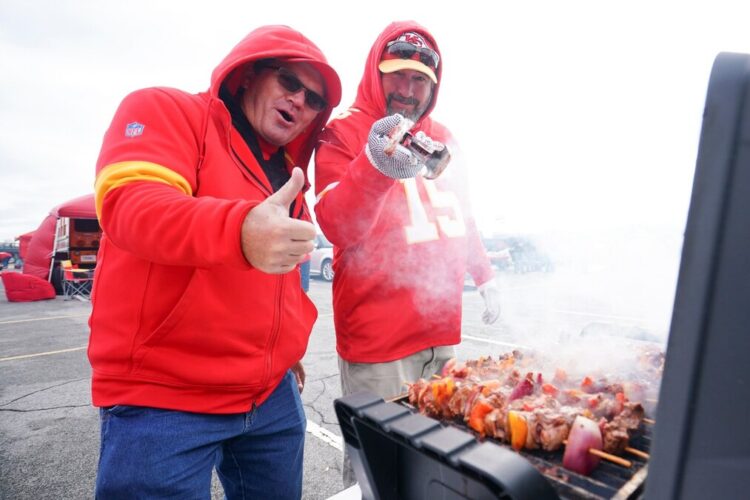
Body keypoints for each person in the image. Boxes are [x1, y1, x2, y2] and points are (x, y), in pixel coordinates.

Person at [88, 25, 341, 499]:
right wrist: (240, 230)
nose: (301, 102)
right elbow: (131, 204)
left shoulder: (287, 174)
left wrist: (283, 349)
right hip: (164, 401)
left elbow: (280, 274)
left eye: (313, 99)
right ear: (249, 74)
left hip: (271, 397)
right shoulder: (168, 110)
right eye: (290, 82)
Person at [314, 20, 502, 487]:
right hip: (379, 343)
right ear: (376, 73)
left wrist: (485, 275)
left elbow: (462, 213)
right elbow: (337, 224)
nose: (407, 88)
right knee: (380, 472)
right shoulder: (344, 132)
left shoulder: (443, 135)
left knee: (443, 462)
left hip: (441, 331)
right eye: (397, 74)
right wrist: (377, 165)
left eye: (420, 80)